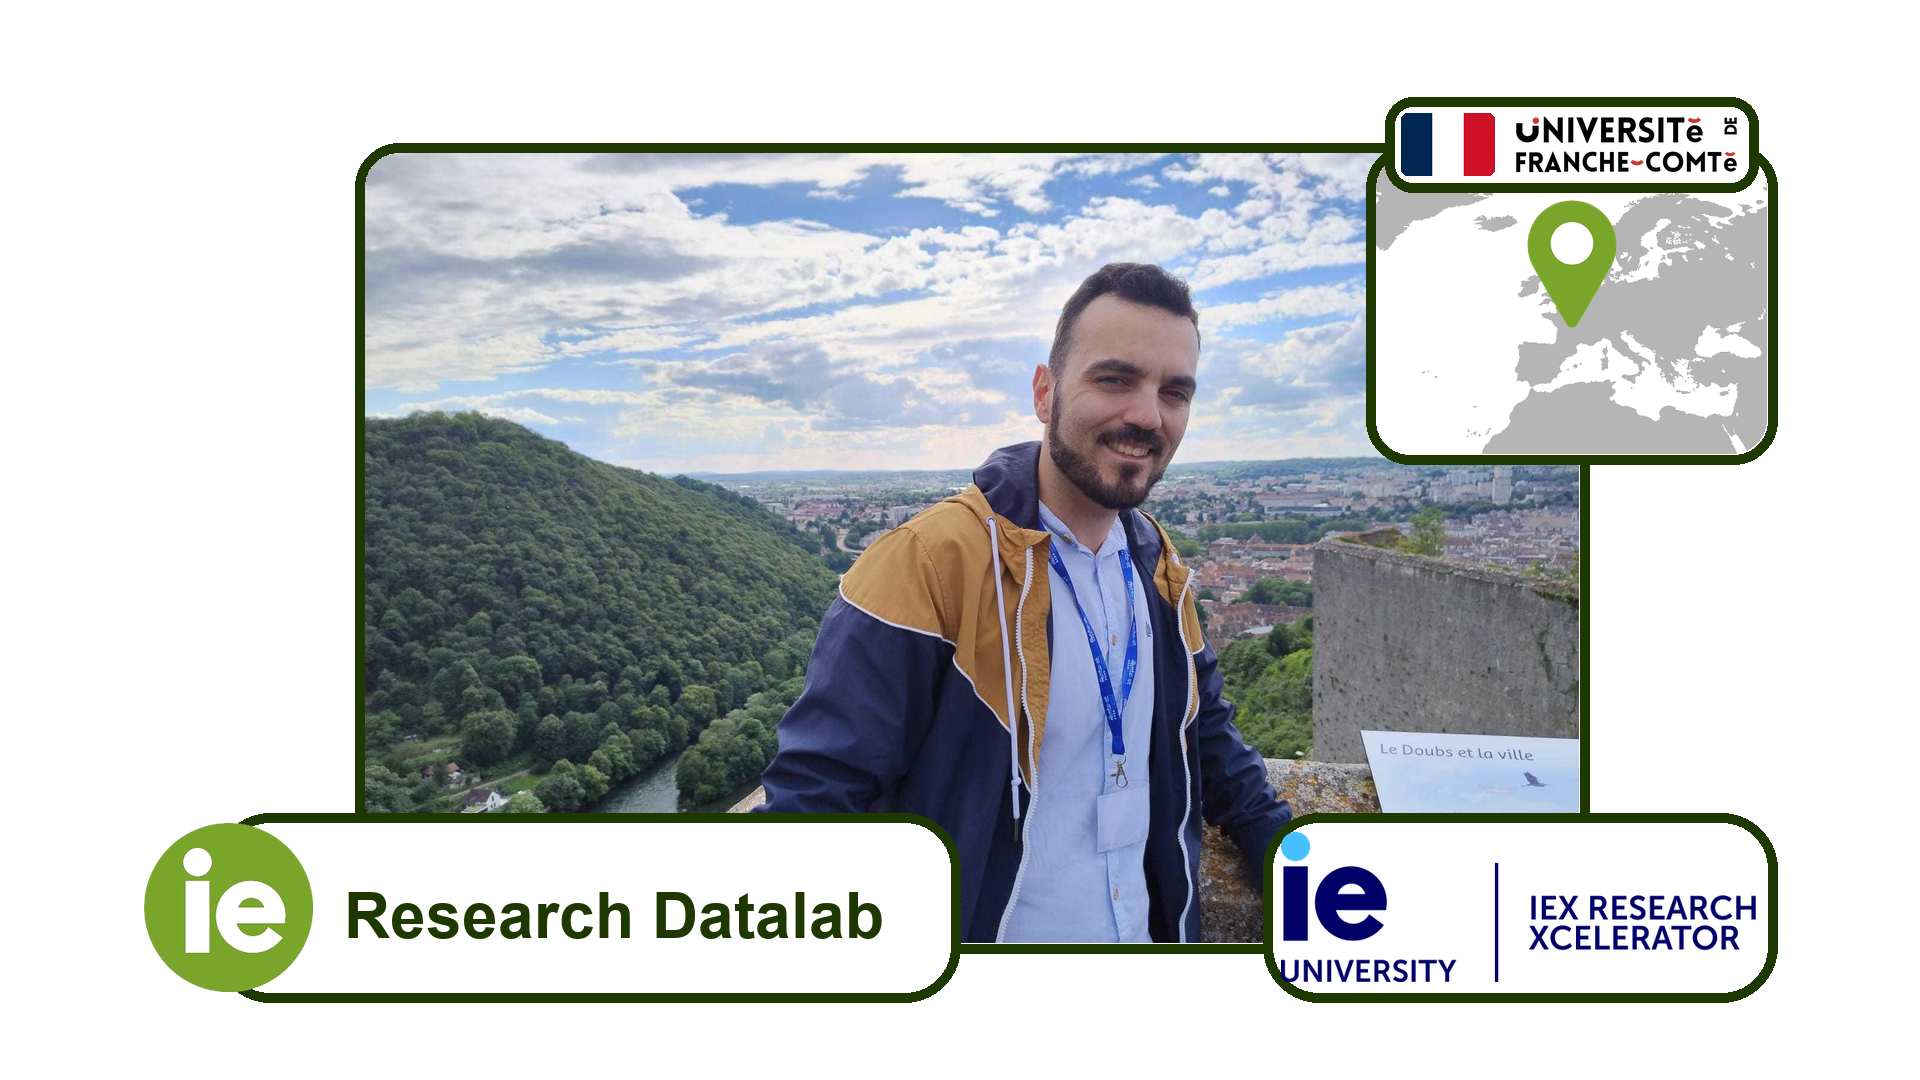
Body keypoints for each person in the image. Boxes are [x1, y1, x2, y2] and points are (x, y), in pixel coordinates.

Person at [756, 262, 1291, 943]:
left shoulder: (1159, 564)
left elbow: (1208, 737)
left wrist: (1302, 864)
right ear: (1045, 392)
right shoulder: (928, 563)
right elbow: (814, 803)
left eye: (1174, 392)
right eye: (1115, 379)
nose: (1147, 415)